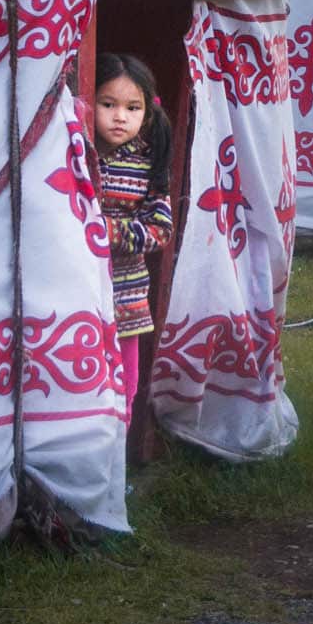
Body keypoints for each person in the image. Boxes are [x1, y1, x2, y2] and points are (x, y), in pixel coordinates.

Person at [86, 52, 174, 412]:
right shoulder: (71, 150)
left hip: (126, 297)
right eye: (108, 104)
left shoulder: (147, 162)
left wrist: (101, 230)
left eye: (132, 107)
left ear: (147, 113)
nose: (120, 117)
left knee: (125, 384)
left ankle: (114, 459)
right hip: (74, 289)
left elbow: (160, 229)